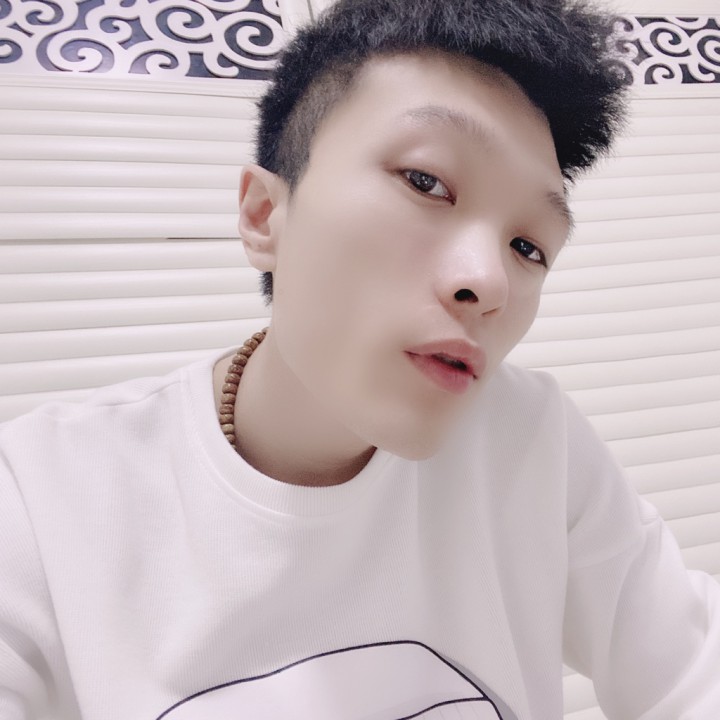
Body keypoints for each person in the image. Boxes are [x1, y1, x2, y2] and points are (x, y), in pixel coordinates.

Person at [1, 0, 718, 718]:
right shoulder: (40, 497)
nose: (490, 282)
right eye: (425, 182)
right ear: (264, 216)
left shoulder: (532, 438)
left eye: (528, 246)